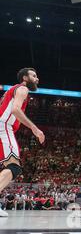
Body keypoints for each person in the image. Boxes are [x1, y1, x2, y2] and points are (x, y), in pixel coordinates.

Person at [0, 68, 45, 218]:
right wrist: (35, 128)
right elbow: (15, 110)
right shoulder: (22, 88)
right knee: (13, 167)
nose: (37, 78)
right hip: (3, 127)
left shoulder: (11, 90)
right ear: (25, 78)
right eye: (34, 75)